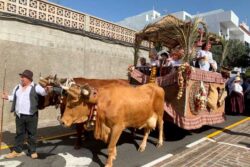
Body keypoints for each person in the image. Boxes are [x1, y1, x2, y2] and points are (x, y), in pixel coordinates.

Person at [2, 69, 49, 159]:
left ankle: (32, 151)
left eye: (23, 77)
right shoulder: (17, 87)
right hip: (19, 115)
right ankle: (17, 151)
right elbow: (14, 97)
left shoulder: (35, 87)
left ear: (28, 78)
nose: (21, 78)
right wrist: (7, 97)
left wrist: (46, 90)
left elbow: (43, 92)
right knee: (19, 134)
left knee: (32, 134)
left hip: (31, 115)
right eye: (21, 77)